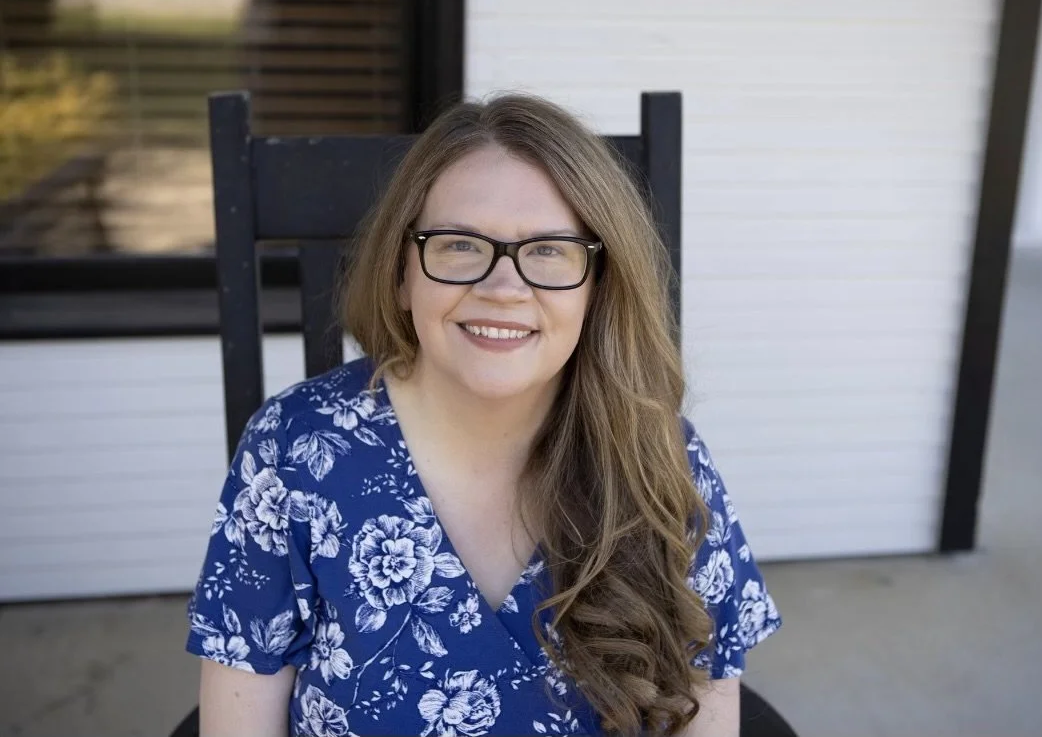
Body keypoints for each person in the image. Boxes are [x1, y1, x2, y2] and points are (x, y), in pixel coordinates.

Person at [185, 93, 781, 737]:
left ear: (598, 287)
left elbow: (707, 696)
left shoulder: (659, 457)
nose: (503, 288)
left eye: (551, 250)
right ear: (400, 272)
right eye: (459, 244)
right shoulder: (294, 453)